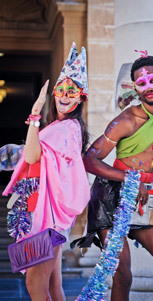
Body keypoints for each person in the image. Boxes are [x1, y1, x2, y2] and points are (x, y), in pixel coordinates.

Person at [73, 54, 153, 301]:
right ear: (136, 89)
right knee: (123, 274)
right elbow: (88, 159)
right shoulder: (127, 120)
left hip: (142, 193)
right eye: (141, 83)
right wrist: (129, 178)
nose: (148, 87)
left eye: (152, 80)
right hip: (111, 195)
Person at [2, 42, 90, 301]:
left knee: (34, 284)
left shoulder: (66, 128)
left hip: (46, 219)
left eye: (71, 92)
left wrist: (34, 113)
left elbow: (31, 155)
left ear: (81, 97)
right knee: (53, 286)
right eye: (60, 90)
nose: (64, 95)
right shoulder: (64, 128)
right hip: (46, 216)